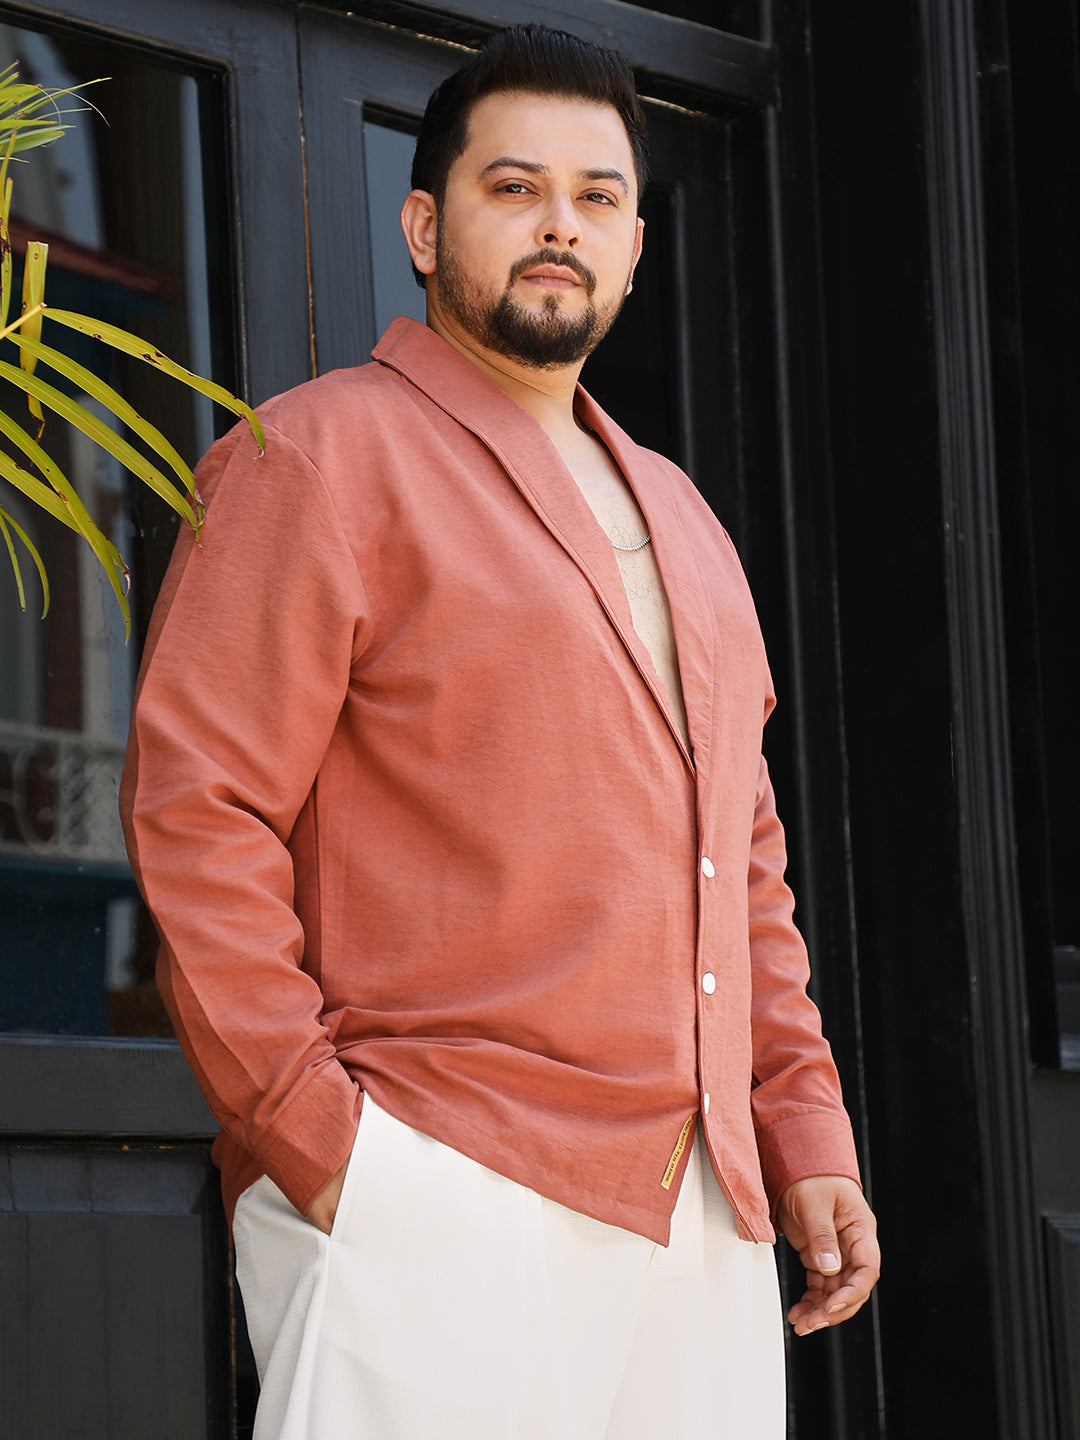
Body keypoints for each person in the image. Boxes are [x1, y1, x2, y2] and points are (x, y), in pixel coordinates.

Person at [121, 23, 879, 1440]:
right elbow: (196, 811)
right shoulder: (317, 457)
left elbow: (743, 866)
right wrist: (322, 1144)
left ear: (635, 248)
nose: (558, 226)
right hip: (438, 1172)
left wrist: (801, 1127)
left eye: (597, 198)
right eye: (514, 187)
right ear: (423, 226)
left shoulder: (687, 519)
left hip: (701, 1216)